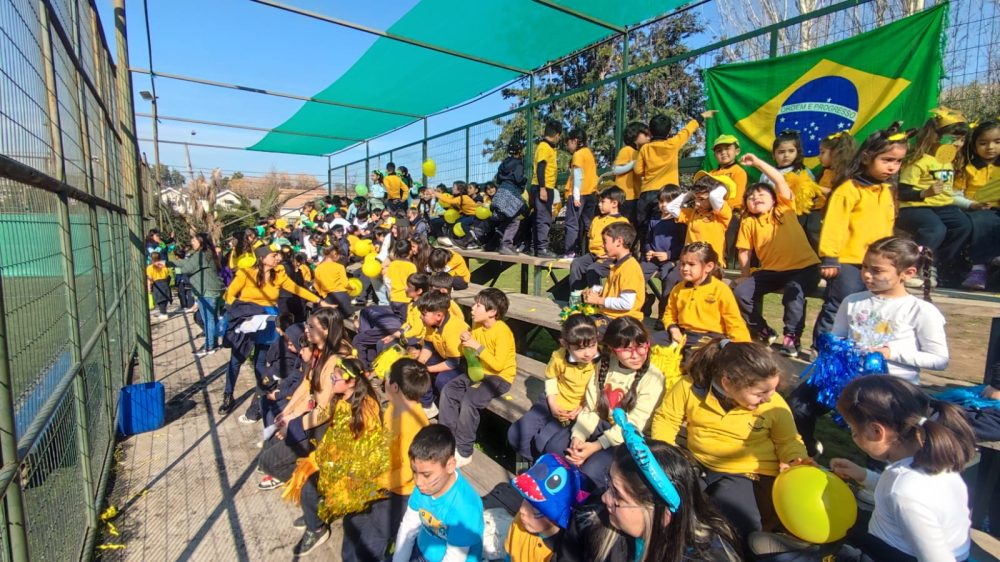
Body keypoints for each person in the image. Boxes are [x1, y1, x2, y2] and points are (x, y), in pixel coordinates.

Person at [789, 236, 948, 456]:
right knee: (798, 402)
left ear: (907, 273)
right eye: (864, 267)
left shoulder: (921, 311)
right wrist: (834, 346)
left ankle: (880, 470)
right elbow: (838, 335)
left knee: (881, 436)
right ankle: (804, 452)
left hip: (892, 389)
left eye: (877, 270)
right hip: (846, 381)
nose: (866, 274)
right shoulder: (852, 301)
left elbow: (939, 359)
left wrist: (891, 354)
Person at [651, 338, 808, 541]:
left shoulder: (773, 405)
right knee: (664, 509)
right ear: (727, 382)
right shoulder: (690, 387)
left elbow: (788, 440)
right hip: (699, 466)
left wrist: (796, 460)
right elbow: (667, 418)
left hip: (750, 475)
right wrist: (666, 455)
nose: (769, 397)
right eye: (761, 393)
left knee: (727, 525)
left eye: (773, 390)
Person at [830, 376, 975, 561]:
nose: (854, 436)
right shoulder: (936, 460)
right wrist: (864, 475)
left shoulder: (904, 491)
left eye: (853, 430)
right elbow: (906, 499)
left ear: (877, 432)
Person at [558, 435, 740, 562]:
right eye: (609, 482)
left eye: (618, 495)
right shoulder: (593, 515)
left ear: (663, 516)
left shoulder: (710, 555)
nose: (605, 497)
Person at [813, 122, 913, 341]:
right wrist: (830, 258)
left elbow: (888, 227)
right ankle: (824, 349)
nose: (893, 167)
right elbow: (833, 224)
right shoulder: (848, 189)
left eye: (898, 161)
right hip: (847, 261)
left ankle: (860, 345)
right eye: (887, 160)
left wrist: (892, 256)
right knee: (840, 303)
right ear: (867, 157)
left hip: (879, 261)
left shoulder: (887, 190)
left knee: (872, 305)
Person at [541, 317, 665, 486]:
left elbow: (633, 425)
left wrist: (596, 446)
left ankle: (582, 505)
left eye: (641, 346)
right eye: (627, 349)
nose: (636, 355)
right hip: (597, 423)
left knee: (591, 471)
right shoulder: (605, 364)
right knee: (555, 448)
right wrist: (579, 436)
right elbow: (591, 408)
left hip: (625, 439)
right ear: (613, 349)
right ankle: (554, 496)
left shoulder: (653, 378)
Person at [284, 357, 386, 557]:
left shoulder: (366, 409)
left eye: (336, 378)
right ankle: (315, 513)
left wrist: (334, 463)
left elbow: (366, 450)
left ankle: (317, 529)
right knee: (304, 470)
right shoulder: (342, 401)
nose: (332, 380)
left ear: (352, 382)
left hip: (356, 469)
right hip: (337, 457)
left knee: (310, 489)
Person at [342, 359, 432, 562]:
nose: (384, 379)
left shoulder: (414, 424)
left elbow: (409, 472)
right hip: (383, 481)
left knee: (371, 544)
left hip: (400, 494)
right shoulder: (393, 407)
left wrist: (374, 483)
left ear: (394, 386)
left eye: (387, 376)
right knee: (353, 522)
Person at [732, 153, 820, 356]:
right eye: (751, 198)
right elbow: (745, 250)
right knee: (741, 292)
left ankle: (791, 338)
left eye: (761, 195)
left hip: (804, 268)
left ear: (774, 199)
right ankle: (763, 331)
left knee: (792, 292)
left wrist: (757, 163)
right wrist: (745, 274)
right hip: (771, 271)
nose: (755, 198)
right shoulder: (748, 222)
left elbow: (779, 179)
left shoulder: (784, 208)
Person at [221, 245, 325, 414]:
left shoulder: (279, 275)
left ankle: (261, 394)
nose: (277, 258)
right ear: (261, 258)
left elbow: (298, 290)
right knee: (236, 359)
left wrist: (318, 300)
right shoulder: (246, 273)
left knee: (261, 360)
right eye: (273, 255)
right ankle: (228, 395)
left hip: (267, 320)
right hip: (247, 319)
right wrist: (239, 310)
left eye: (277, 255)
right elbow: (229, 294)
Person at [257, 307, 348, 491]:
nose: (307, 330)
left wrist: (294, 424)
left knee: (268, 462)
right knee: (270, 443)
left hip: (327, 425)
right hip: (313, 413)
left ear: (326, 330)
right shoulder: (319, 352)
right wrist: (287, 412)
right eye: (307, 325)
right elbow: (306, 386)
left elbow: (324, 412)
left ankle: (315, 482)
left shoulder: (335, 361)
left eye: (312, 327)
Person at [440, 288, 516, 466]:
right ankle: (446, 438)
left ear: (492, 312)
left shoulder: (502, 331)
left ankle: (464, 451)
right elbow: (471, 351)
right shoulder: (477, 326)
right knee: (449, 390)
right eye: (474, 304)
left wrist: (477, 346)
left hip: (499, 377)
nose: (472, 308)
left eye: (478, 305)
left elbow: (498, 365)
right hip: (478, 372)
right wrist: (466, 339)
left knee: (470, 400)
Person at [896, 107, 972, 288]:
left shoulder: (949, 161)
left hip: (943, 206)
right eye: (953, 139)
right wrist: (924, 193)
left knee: (963, 225)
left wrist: (972, 205)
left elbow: (948, 192)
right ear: (936, 137)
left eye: (961, 140)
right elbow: (903, 191)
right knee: (934, 228)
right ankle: (915, 265)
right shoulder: (918, 161)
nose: (958, 144)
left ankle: (936, 263)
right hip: (914, 206)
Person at [507, 314, 599, 460]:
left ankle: (541, 469)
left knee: (542, 441)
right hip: (553, 401)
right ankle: (530, 467)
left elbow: (596, 392)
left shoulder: (598, 362)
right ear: (565, 344)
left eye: (592, 345)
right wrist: (552, 402)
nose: (587, 353)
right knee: (515, 434)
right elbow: (551, 378)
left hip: (576, 411)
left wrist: (583, 407)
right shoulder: (559, 357)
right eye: (580, 348)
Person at [392, 425, 484, 562]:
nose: (418, 482)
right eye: (414, 472)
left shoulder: (465, 508)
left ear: (450, 465)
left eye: (426, 474)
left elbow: (455, 557)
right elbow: (408, 528)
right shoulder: (426, 486)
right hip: (422, 549)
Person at [634, 110, 716, 232]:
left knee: (645, 229)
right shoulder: (673, 143)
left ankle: (645, 248)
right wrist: (701, 117)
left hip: (647, 193)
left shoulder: (645, 148)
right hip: (668, 192)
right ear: (669, 131)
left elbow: (638, 170)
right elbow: (687, 130)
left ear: (650, 132)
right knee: (667, 225)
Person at [662, 242, 750, 348]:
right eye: (682, 264)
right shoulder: (678, 288)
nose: (684, 268)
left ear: (708, 267)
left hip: (709, 338)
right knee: (646, 344)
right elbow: (669, 314)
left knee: (694, 358)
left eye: (691, 264)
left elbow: (734, 322)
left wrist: (744, 348)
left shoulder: (720, 290)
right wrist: (673, 328)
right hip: (682, 333)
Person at [505, 454, 586, 561]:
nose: (522, 510)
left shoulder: (560, 554)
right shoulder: (519, 522)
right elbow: (508, 556)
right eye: (526, 498)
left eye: (535, 506)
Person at [955, 119, 1000, 290]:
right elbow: (956, 193)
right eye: (983, 143)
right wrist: (972, 204)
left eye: (997, 142)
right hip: (978, 209)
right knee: (983, 220)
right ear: (974, 146)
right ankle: (979, 268)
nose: (990, 147)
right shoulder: (968, 168)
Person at [762, 130, 826, 245]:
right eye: (781, 152)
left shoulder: (803, 171)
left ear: (798, 152)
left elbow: (812, 193)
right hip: (773, 216)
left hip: (798, 216)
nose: (786, 155)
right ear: (774, 154)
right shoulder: (768, 173)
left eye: (791, 151)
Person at [416, 291, 470, 416]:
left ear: (439, 315)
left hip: (463, 363)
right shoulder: (432, 323)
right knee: (417, 367)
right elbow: (428, 345)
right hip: (445, 355)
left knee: (442, 380)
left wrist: (427, 369)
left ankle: (450, 410)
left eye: (423, 314)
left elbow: (453, 363)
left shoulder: (453, 330)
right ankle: (428, 405)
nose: (420, 317)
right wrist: (421, 362)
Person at [567, 186, 630, 292]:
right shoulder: (596, 219)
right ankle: (575, 296)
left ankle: (596, 302)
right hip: (593, 255)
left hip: (610, 258)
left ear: (614, 203)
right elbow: (591, 238)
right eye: (599, 202)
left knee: (593, 270)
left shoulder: (622, 222)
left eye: (602, 202)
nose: (599, 205)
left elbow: (624, 244)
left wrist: (610, 255)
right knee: (577, 263)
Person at [580, 222, 646, 321]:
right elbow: (615, 292)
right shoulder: (617, 264)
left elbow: (626, 303)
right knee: (574, 321)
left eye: (605, 241)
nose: (602, 245)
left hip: (624, 321)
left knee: (579, 329)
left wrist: (598, 300)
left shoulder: (630, 267)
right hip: (610, 316)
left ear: (619, 241)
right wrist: (596, 292)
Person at [666, 172, 733, 265]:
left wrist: (724, 185)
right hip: (691, 261)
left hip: (711, 262)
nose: (697, 203)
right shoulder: (692, 213)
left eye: (702, 199)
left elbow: (715, 196)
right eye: (695, 198)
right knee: (671, 279)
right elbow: (671, 208)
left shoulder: (720, 215)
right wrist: (689, 194)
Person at [641, 185, 686, 323]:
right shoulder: (654, 219)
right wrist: (648, 251)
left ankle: (663, 315)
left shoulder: (679, 220)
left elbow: (684, 244)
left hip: (671, 260)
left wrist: (669, 255)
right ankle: (642, 302)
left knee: (668, 279)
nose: (664, 205)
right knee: (637, 273)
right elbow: (647, 239)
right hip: (653, 260)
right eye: (661, 201)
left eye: (668, 201)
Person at [174, 233, 224, 354]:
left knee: (208, 319)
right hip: (213, 290)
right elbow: (187, 263)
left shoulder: (200, 255)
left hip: (206, 290)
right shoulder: (206, 254)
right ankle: (214, 343)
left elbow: (187, 268)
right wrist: (169, 263)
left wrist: (174, 266)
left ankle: (209, 346)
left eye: (194, 240)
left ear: (201, 241)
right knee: (213, 318)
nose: (192, 242)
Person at [708, 134, 748, 267]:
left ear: (736, 151)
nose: (723, 153)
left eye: (727, 149)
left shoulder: (738, 172)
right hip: (711, 213)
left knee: (731, 228)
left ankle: (728, 262)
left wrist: (719, 210)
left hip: (730, 213)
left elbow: (738, 199)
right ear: (714, 154)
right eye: (719, 151)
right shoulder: (711, 174)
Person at [813, 131, 858, 249]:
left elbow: (837, 194)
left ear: (836, 153)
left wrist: (815, 188)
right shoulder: (824, 172)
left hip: (829, 214)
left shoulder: (845, 175)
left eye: (822, 152)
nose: (819, 157)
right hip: (817, 212)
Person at [603, 121, 650, 222]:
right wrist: (632, 164)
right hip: (625, 196)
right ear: (634, 136)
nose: (648, 137)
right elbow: (616, 170)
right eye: (645, 134)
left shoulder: (641, 152)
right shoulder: (627, 150)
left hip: (636, 195)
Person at [562, 129, 599, 259]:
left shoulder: (578, 155)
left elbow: (578, 175)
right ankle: (594, 251)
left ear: (575, 141)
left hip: (579, 193)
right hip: (591, 192)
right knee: (589, 225)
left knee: (572, 223)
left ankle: (569, 252)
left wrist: (576, 195)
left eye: (568, 143)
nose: (568, 146)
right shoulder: (589, 153)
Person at [530, 120, 563, 258]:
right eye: (559, 135)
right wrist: (543, 188)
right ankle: (542, 249)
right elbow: (541, 167)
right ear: (556, 134)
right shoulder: (544, 147)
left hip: (543, 186)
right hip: (542, 187)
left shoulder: (548, 148)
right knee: (544, 218)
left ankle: (534, 247)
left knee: (538, 218)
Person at [490, 137, 528, 255]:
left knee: (508, 217)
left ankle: (497, 244)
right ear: (519, 151)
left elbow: (498, 178)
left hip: (501, 191)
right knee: (516, 219)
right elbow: (518, 178)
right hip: (512, 192)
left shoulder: (503, 163)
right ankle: (506, 245)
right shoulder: (518, 163)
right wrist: (524, 180)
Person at [312, 244, 352, 314]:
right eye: (339, 255)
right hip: (342, 296)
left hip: (328, 297)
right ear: (335, 254)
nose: (339, 257)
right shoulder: (339, 267)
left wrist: (323, 294)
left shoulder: (318, 268)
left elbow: (316, 285)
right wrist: (352, 288)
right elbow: (345, 284)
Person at [384, 239, 418, 321]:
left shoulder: (392, 264)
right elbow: (413, 283)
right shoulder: (411, 266)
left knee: (395, 322)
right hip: (406, 300)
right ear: (410, 251)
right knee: (406, 322)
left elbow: (387, 281)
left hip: (393, 298)